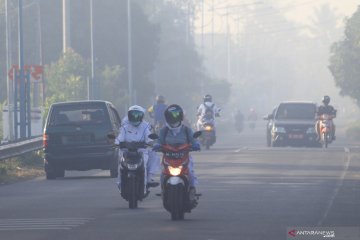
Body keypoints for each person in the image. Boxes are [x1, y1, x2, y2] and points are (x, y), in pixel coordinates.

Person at [153, 104, 200, 194]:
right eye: (171, 116)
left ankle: (192, 189)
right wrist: (157, 145)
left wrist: (196, 144)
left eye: (176, 115)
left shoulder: (186, 130)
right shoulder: (164, 130)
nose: (174, 118)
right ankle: (163, 190)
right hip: (168, 157)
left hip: (184, 157)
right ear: (167, 117)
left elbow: (193, 140)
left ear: (181, 116)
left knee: (190, 171)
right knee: (163, 173)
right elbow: (159, 141)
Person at [115, 105, 160, 192]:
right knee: (120, 163)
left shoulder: (145, 126)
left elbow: (149, 138)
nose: (135, 117)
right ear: (129, 115)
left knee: (150, 158)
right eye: (133, 115)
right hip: (126, 151)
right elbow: (119, 138)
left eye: (137, 115)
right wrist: (116, 143)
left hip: (141, 151)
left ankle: (148, 179)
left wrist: (152, 143)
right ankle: (120, 182)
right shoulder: (125, 126)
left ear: (142, 116)